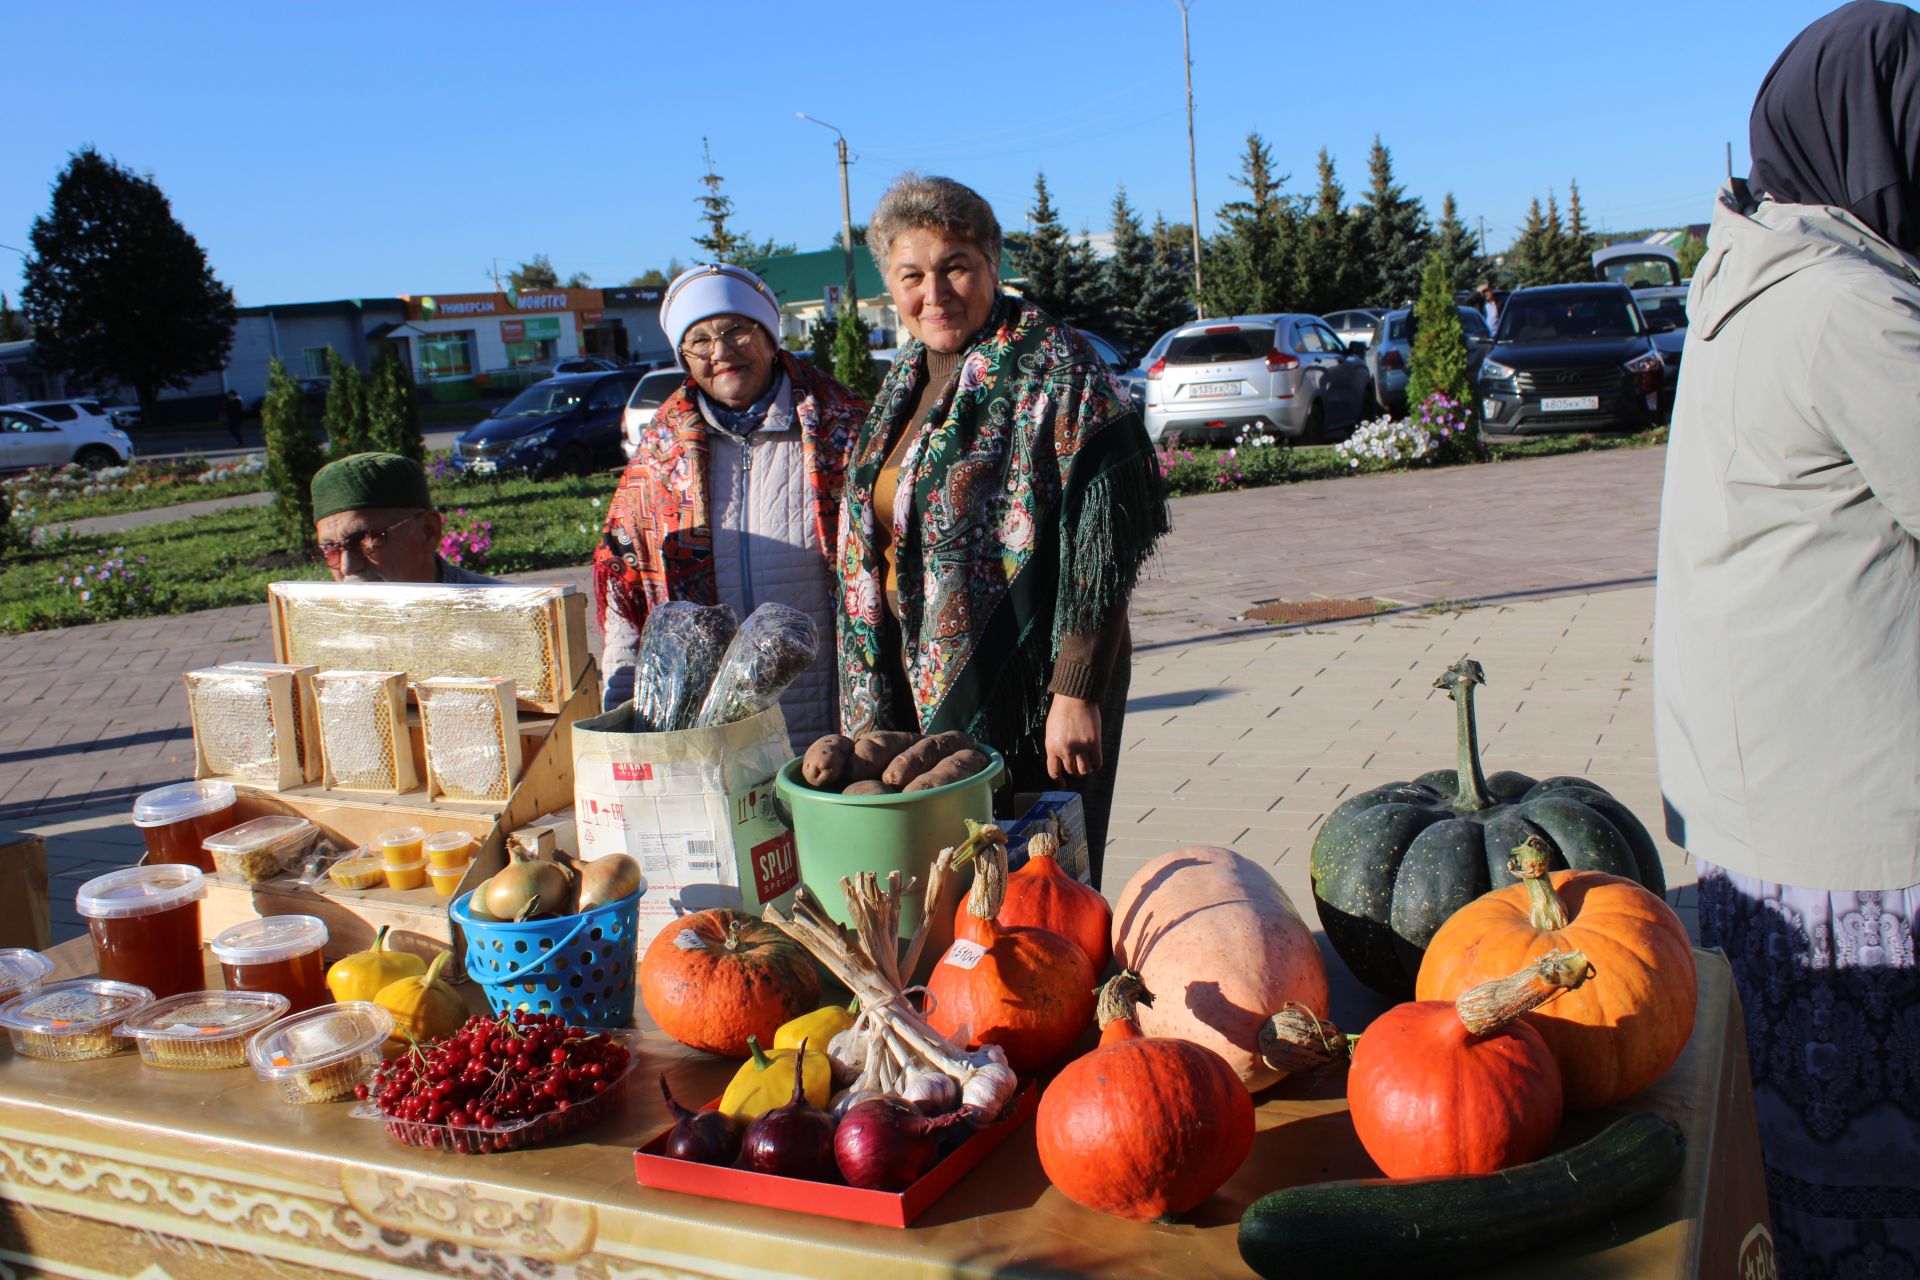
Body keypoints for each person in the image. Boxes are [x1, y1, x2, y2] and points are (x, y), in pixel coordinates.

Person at [1653, 4, 1920, 1274]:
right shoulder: (1852, 306)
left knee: (1803, 1182)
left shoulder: (1753, 277)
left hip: (1772, 815)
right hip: (1866, 836)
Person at [839, 174, 1169, 887]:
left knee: (1038, 893)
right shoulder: (906, 381)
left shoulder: (1055, 365)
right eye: (912, 275)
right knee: (949, 888)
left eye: (956, 266)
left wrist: (1075, 688)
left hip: (1033, 690)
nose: (936, 292)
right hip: (911, 681)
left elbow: (1102, 539)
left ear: (992, 265)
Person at [593, 263, 868, 739]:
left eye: (736, 330)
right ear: (684, 356)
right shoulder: (657, 461)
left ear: (768, 335)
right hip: (706, 737)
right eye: (699, 340)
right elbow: (627, 597)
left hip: (831, 727)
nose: (720, 352)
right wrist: (621, 719)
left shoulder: (847, 432)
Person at [310, 451, 500, 585]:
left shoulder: (506, 617)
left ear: (428, 531)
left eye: (364, 539)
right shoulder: (321, 629)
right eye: (330, 548)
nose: (347, 567)